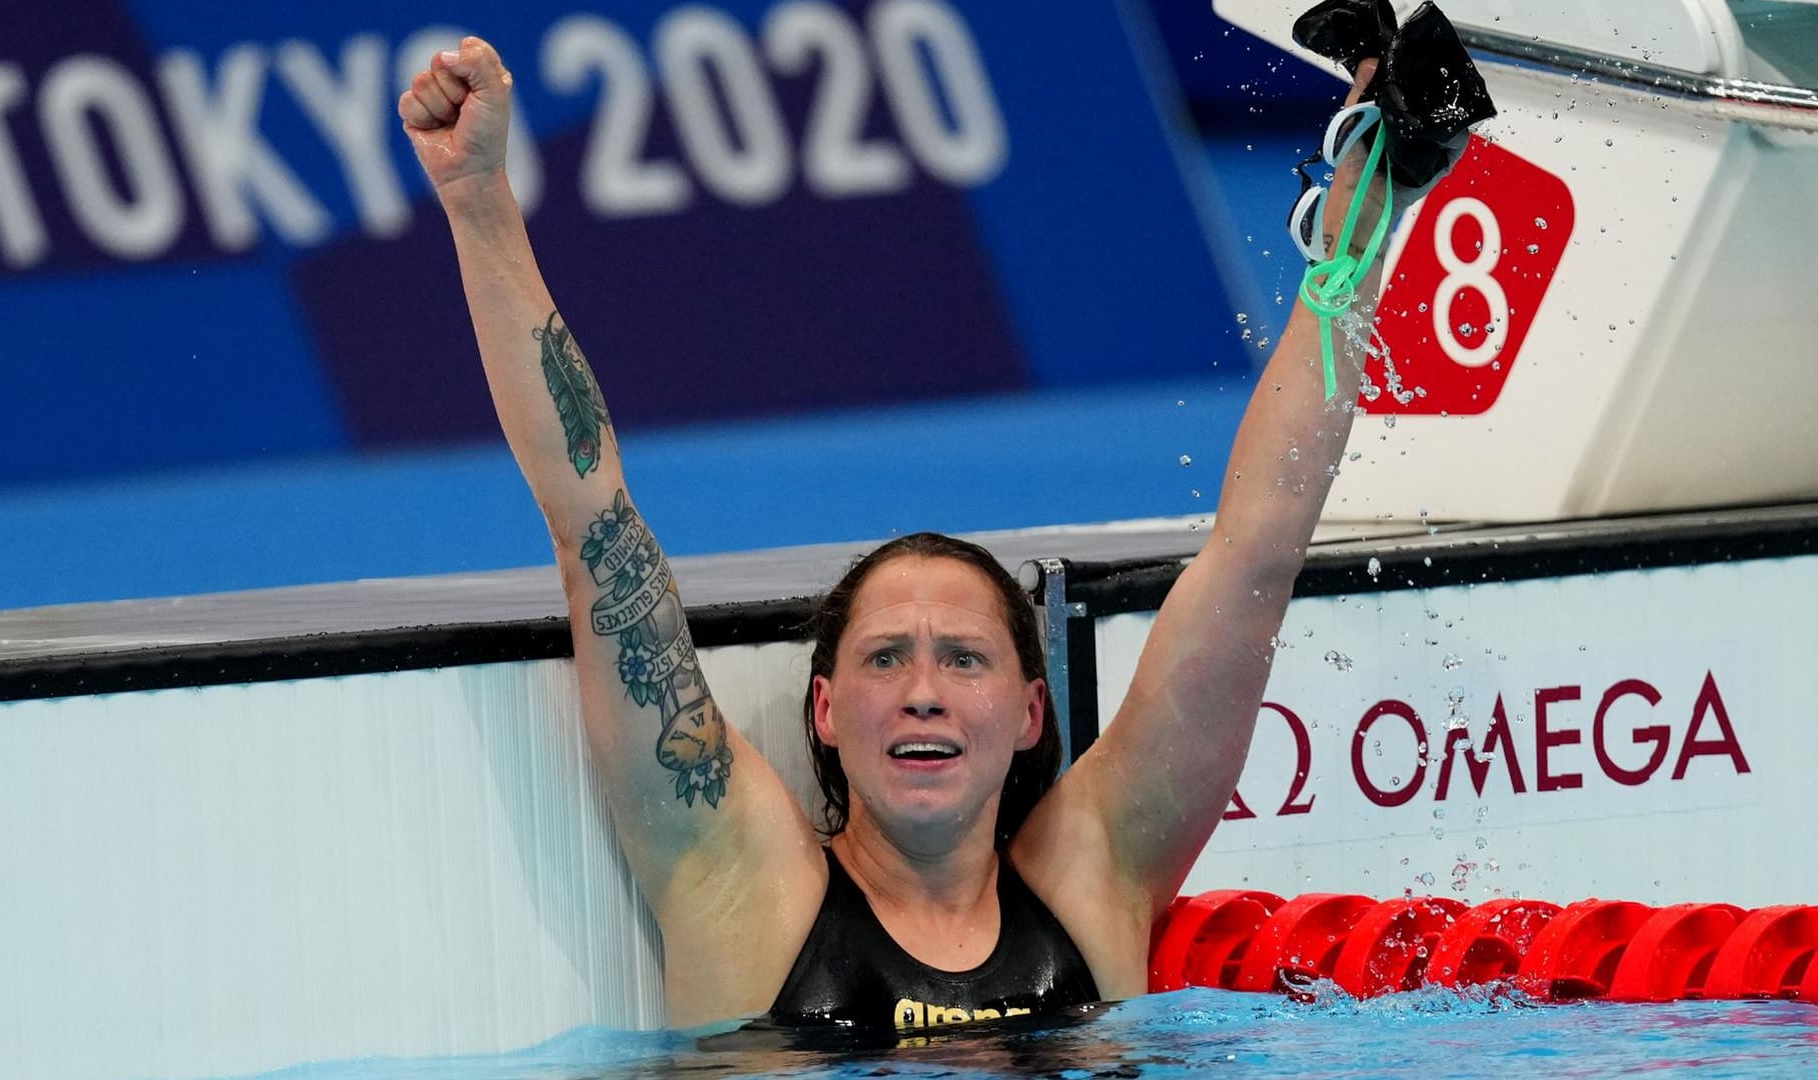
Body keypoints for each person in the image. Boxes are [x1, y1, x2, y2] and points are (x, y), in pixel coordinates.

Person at [400, 37, 1395, 1032]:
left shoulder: (1099, 873)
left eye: (964, 660)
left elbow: (1261, 546)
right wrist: (479, 197)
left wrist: (1369, 209)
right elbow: (594, 527)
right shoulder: (744, 885)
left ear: (1031, 712)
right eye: (887, 659)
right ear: (825, 710)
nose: (924, 693)